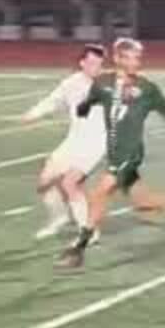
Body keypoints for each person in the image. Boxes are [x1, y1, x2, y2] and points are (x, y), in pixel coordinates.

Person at [60, 38, 165, 268]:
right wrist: (83, 108)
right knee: (145, 202)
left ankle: (78, 251)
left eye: (138, 58)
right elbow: (91, 99)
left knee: (100, 192)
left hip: (131, 152)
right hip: (114, 152)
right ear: (118, 59)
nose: (136, 62)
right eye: (131, 57)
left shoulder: (147, 89)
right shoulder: (103, 83)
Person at [19, 44, 107, 239]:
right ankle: (59, 218)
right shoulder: (71, 83)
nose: (96, 68)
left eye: (99, 64)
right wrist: (33, 114)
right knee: (44, 182)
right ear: (82, 63)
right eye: (92, 63)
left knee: (70, 183)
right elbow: (53, 101)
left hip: (95, 145)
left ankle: (88, 231)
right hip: (74, 141)